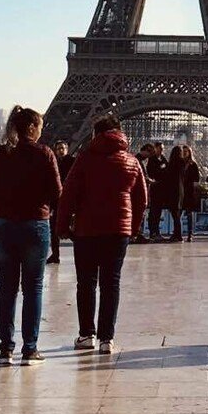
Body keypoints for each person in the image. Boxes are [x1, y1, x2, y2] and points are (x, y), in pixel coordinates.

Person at [54, 114, 146, 352]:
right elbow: (141, 199)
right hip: (118, 230)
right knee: (111, 283)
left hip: (87, 229)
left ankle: (87, 334)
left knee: (86, 283)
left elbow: (68, 194)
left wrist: (62, 226)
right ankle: (107, 339)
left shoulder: (84, 159)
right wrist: (133, 228)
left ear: (95, 134)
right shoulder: (131, 161)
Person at [0, 105, 62, 364]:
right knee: (33, 288)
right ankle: (30, 348)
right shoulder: (44, 153)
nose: (41, 132)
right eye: (39, 127)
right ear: (31, 127)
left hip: (4, 226)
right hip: (34, 224)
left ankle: (6, 349)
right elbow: (57, 192)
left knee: (6, 289)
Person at [45, 141, 76, 264]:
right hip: (57, 200)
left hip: (67, 199)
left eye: (62, 148)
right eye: (58, 149)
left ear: (67, 149)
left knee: (67, 228)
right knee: (54, 229)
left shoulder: (72, 162)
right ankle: (55, 255)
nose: (61, 151)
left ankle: (82, 249)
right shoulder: (55, 162)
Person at [143, 143, 169, 241]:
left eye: (162, 149)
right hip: (155, 187)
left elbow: (167, 169)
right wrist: (161, 170)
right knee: (154, 210)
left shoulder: (163, 159)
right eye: (160, 148)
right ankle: (152, 232)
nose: (161, 150)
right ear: (156, 148)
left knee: (158, 211)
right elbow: (151, 172)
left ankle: (157, 231)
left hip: (162, 188)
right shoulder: (152, 159)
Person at [160, 145, 187, 242]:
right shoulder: (182, 163)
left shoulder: (172, 164)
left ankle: (177, 235)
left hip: (173, 191)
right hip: (180, 190)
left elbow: (167, 175)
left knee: (175, 215)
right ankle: (177, 234)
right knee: (177, 214)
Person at [180, 145, 202, 241]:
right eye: (183, 151)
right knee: (179, 213)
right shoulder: (180, 163)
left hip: (189, 191)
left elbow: (196, 179)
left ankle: (190, 233)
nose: (184, 153)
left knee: (189, 214)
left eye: (186, 151)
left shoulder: (193, 164)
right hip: (181, 191)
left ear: (189, 153)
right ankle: (179, 232)